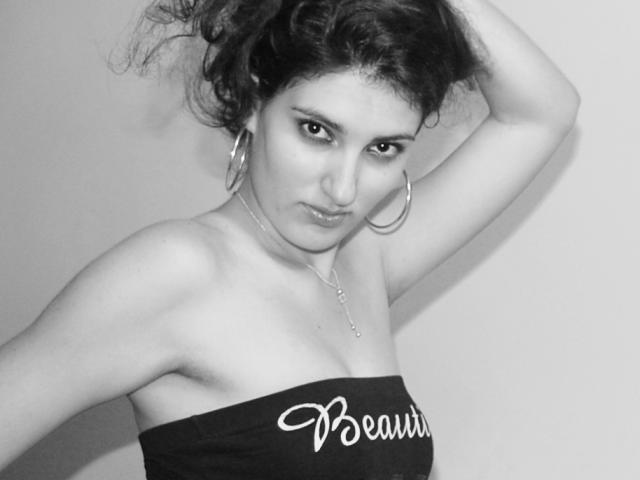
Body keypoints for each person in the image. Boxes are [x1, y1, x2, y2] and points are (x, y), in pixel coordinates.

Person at [0, 0, 579, 478]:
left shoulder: (364, 259)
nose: (343, 188)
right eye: (317, 131)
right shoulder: (176, 272)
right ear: (254, 101)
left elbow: (545, 110)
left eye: (383, 148)